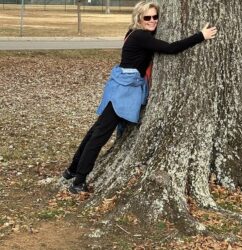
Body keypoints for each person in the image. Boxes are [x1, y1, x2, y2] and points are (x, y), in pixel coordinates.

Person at [62, 1, 218, 194]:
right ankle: (78, 182)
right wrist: (200, 36)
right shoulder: (141, 36)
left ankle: (71, 171)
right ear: (139, 19)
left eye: (155, 17)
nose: (152, 21)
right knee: (99, 135)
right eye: (147, 18)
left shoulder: (133, 33)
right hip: (124, 91)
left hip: (120, 85)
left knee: (96, 131)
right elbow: (171, 48)